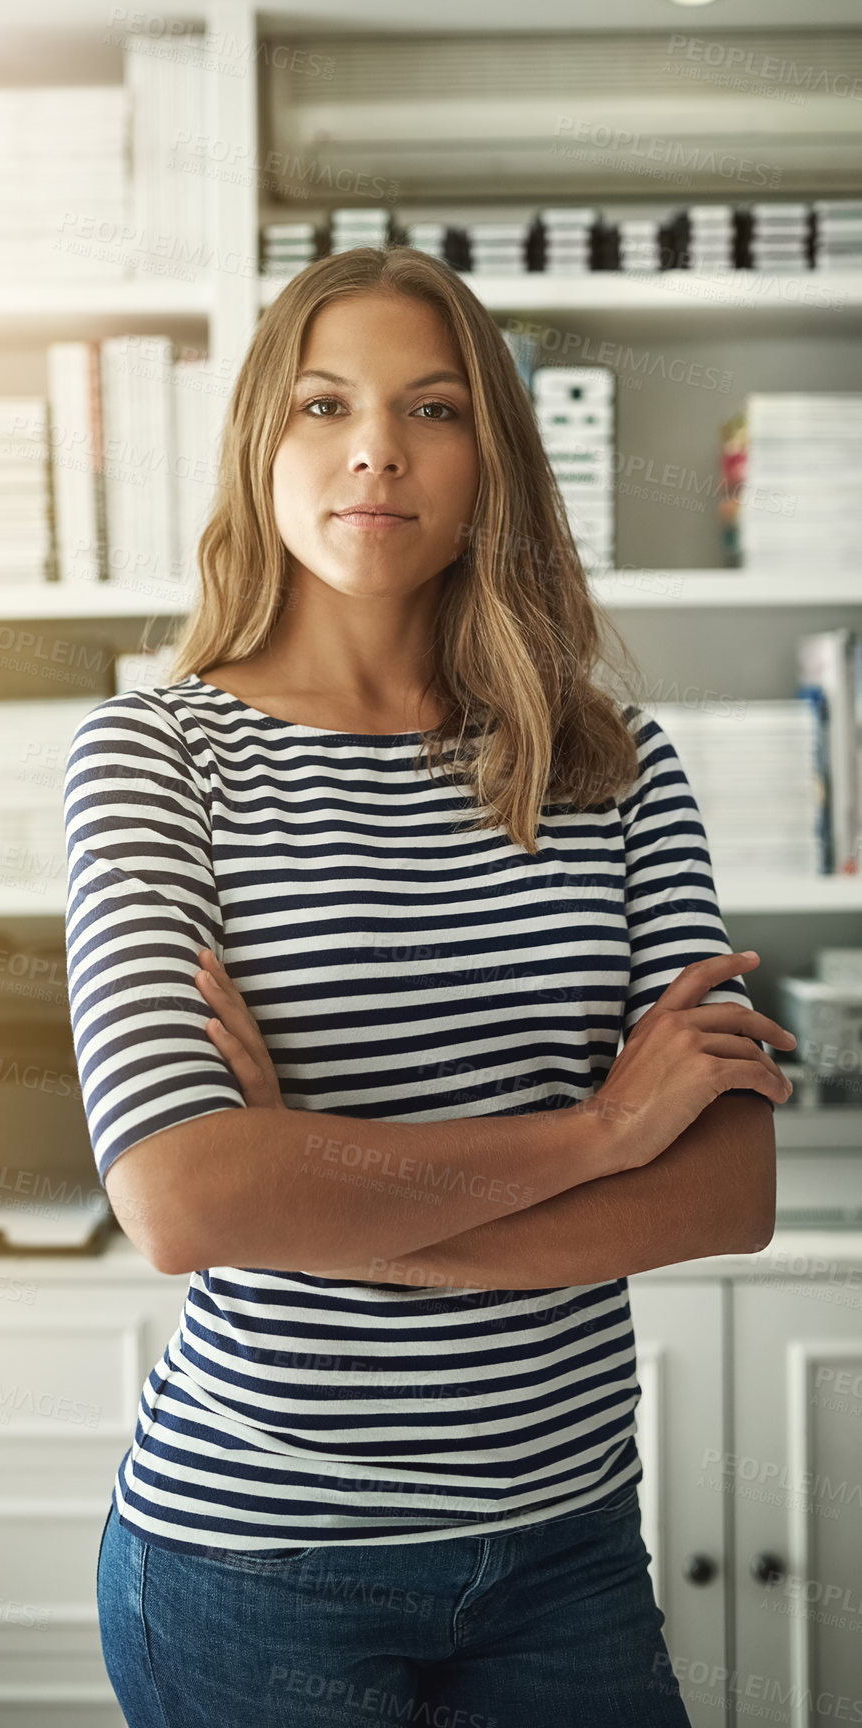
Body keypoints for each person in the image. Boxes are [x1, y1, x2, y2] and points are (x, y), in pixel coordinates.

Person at [62, 246, 793, 1728]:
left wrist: (330, 1211)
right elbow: (186, 1204)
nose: (375, 449)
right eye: (324, 404)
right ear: (261, 439)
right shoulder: (155, 761)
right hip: (257, 1557)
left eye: (433, 408)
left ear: (490, 463)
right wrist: (598, 1135)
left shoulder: (612, 766)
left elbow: (724, 1191)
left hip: (564, 1544)